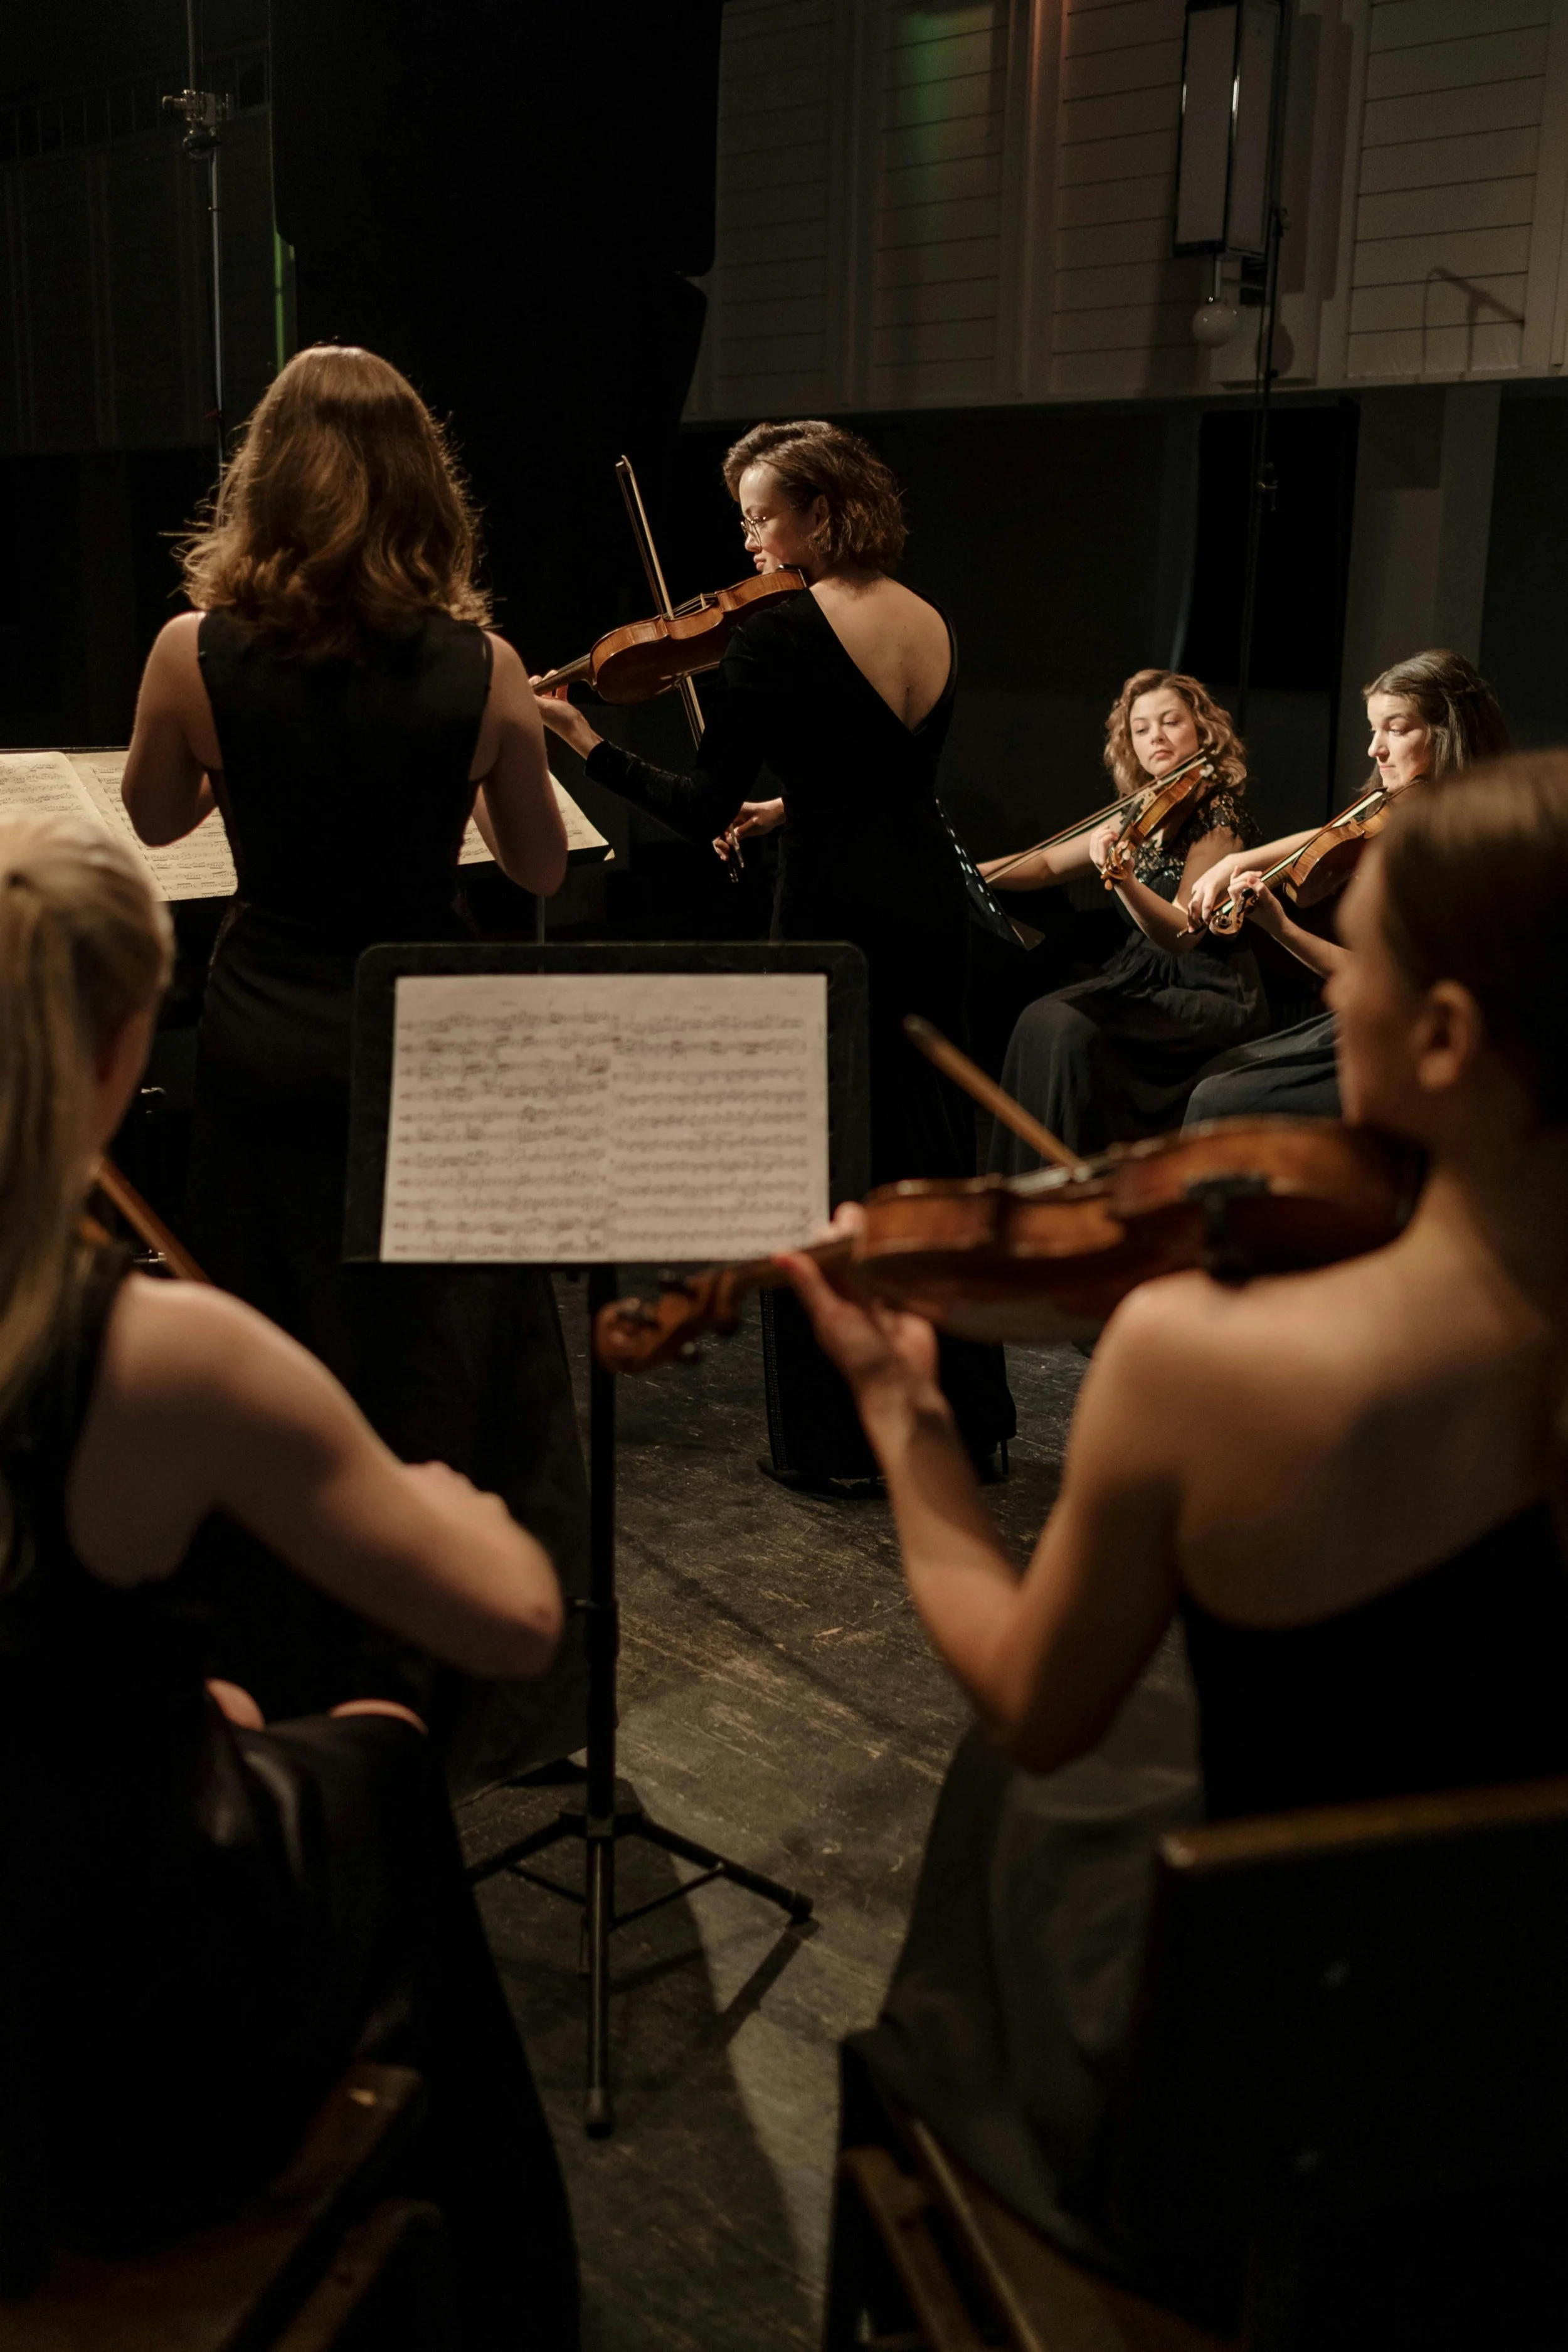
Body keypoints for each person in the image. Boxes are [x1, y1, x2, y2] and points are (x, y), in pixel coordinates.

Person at [782, 750, 1568, 2309]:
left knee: (1008, 1789)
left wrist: (910, 1422)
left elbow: (1033, 1695)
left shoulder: (1207, 1361)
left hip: (1277, 2112)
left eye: (1364, 963)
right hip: (1529, 2058)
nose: (1330, 1000)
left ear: (1449, 1033)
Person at [0, 814, 578, 2346]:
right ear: (125, 1049)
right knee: (380, 1745)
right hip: (83, 2064)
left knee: (240, 1714)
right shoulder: (161, 1351)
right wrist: (460, 1501)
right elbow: (515, 1618)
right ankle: (486, 2292)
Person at [122, 344, 590, 1786]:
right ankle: (432, 1664)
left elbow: (151, 816)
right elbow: (534, 862)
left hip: (265, 1026)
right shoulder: (484, 666)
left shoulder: (191, 646)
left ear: (262, 479)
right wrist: (526, 746)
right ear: (421, 490)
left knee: (276, 1333)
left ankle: (275, 1650)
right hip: (426, 1035)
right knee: (429, 1351)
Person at [534, 416, 1013, 1487]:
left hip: (835, 920)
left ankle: (842, 1444)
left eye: (761, 517)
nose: (748, 543)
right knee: (927, 1159)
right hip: (929, 908)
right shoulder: (927, 618)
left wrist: (584, 744)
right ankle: (966, 1421)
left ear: (819, 513)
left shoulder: (776, 634)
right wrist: (786, 807)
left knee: (831, 1169)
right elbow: (878, 777)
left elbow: (695, 803)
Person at [1181, 648, 1508, 1125]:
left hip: (1413, 1040)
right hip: (1375, 1018)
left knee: (1218, 1098)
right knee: (1218, 1074)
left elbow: (1384, 982)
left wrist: (1280, 928)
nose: (1375, 749)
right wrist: (1237, 861)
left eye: (1395, 729)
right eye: (1374, 729)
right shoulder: (1406, 812)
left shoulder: (1451, 848)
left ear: (1449, 732)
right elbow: (1331, 835)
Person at [978, 670, 1266, 1168]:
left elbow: (1182, 930)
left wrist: (1125, 879)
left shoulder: (1220, 818)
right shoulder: (1142, 809)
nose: (1156, 735)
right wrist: (965, 872)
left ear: (1201, 729)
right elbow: (1045, 863)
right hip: (1141, 976)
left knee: (1070, 1032)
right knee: (1036, 1020)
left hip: (1207, 986)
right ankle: (1020, 1197)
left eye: (1171, 721)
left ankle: (1076, 1194)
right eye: (1141, 728)